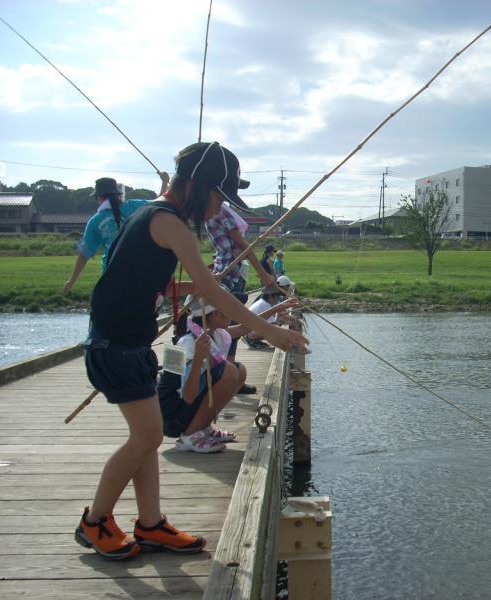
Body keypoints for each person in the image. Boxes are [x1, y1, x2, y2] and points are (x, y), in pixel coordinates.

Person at [75, 141, 309, 560]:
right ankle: (95, 521)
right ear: (199, 186)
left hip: (129, 342)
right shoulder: (168, 223)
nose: (219, 208)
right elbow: (210, 289)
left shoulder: (154, 215)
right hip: (115, 346)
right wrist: (269, 332)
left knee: (144, 440)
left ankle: (150, 524)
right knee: (146, 436)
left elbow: (166, 279)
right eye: (219, 196)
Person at [157, 296, 248, 453]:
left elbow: (243, 329)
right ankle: (190, 436)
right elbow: (187, 396)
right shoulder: (186, 342)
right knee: (229, 371)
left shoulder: (212, 334)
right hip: (170, 418)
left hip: (184, 409)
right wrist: (198, 358)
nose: (231, 314)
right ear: (215, 315)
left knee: (239, 371)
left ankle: (203, 427)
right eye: (227, 310)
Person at [62, 173, 169, 294]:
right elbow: (159, 202)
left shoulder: (95, 221)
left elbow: (84, 254)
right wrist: (165, 181)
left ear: (99, 197)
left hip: (111, 279)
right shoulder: (133, 206)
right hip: (141, 275)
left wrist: (71, 281)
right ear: (117, 194)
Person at [205, 202, 277, 371]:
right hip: (227, 274)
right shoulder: (216, 211)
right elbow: (236, 247)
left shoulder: (215, 211)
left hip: (230, 275)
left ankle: (229, 368)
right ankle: (226, 369)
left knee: (228, 323)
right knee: (226, 323)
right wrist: (263, 274)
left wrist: (263, 274)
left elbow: (238, 247)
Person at [242, 284, 300, 348]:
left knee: (287, 321)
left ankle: (294, 344)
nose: (278, 299)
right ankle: (251, 340)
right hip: (249, 332)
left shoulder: (263, 302)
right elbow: (272, 324)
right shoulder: (264, 305)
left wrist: (279, 317)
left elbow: (271, 321)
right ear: (270, 296)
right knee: (279, 329)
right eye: (277, 297)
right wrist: (280, 320)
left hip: (251, 330)